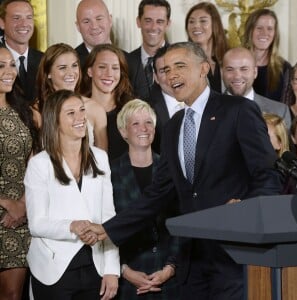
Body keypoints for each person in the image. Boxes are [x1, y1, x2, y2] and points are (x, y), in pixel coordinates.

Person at [82, 42, 282, 300]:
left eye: (180, 66)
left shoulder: (238, 111)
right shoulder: (174, 125)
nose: (171, 75)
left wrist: (245, 210)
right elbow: (158, 192)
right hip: (191, 260)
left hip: (233, 256)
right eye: (165, 69)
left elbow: (267, 176)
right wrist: (108, 229)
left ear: (204, 69)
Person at [24, 89, 119, 300]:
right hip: (53, 270)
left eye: (82, 110)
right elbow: (37, 223)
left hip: (95, 266)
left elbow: (108, 216)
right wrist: (72, 226)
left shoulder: (101, 158)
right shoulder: (39, 164)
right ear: (54, 121)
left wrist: (112, 269)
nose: (80, 118)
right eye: (70, 113)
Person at [112, 99, 179, 299]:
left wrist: (170, 268)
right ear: (123, 132)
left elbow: (180, 222)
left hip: (169, 279)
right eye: (135, 123)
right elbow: (106, 225)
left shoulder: (171, 170)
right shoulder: (109, 174)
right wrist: (124, 270)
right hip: (128, 281)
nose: (144, 128)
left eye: (148, 122)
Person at [0, 46, 39, 300]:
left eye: (11, 64)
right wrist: (6, 203)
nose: (8, 71)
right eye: (0, 66)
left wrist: (22, 204)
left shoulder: (24, 112)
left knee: (13, 294)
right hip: (6, 207)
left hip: (19, 219)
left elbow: (36, 163)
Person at [35, 43, 107, 150]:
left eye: (74, 65)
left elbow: (102, 158)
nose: (71, 73)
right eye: (62, 68)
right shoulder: (36, 110)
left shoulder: (95, 109)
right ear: (48, 73)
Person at [81, 43, 134, 160]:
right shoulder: (77, 109)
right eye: (102, 67)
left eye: (115, 68)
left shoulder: (131, 110)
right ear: (90, 71)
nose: (109, 74)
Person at [221, 46, 291, 128]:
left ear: (255, 72)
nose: (237, 76)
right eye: (230, 69)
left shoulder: (280, 111)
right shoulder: (207, 108)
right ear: (222, 72)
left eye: (244, 69)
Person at [243, 8, 291, 103]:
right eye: (259, 28)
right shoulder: (236, 63)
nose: (264, 33)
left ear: (275, 34)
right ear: (250, 31)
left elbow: (286, 106)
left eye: (269, 29)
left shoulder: (285, 68)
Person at [0, 0, 43, 104]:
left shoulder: (44, 60)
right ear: (2, 23)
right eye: (16, 18)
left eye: (29, 17)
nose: (24, 24)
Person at [127, 0, 171, 102]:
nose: (153, 27)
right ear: (138, 22)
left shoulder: (181, 59)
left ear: (168, 24)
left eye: (160, 21)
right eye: (148, 21)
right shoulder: (126, 61)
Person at [185, 1, 227, 93]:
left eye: (203, 21)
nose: (196, 26)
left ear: (215, 24)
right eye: (191, 21)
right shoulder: (183, 61)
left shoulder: (228, 58)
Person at [150, 45, 184, 152]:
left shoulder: (205, 100)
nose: (172, 75)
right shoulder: (146, 108)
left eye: (177, 67)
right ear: (156, 78)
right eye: (164, 71)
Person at [75, 0, 113, 69]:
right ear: (78, 26)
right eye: (86, 21)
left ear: (110, 20)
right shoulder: (71, 63)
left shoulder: (130, 61)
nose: (94, 26)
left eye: (99, 19)